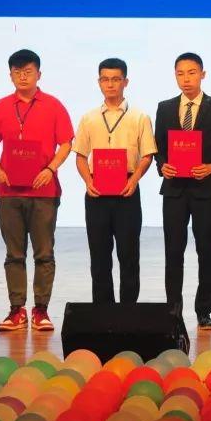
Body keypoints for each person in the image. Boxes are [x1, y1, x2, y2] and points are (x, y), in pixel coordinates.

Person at [0, 49, 74, 332]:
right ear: (10, 76)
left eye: (28, 71)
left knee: (44, 254)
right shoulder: (1, 107)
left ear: (38, 74)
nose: (23, 76)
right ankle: (16, 310)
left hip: (44, 192)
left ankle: (41, 310)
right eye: (17, 72)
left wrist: (50, 169)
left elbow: (66, 143)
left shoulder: (53, 106)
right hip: (8, 192)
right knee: (14, 254)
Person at [153, 52, 211, 330]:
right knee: (173, 252)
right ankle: (173, 311)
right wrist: (162, 165)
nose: (186, 79)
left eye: (191, 72)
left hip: (204, 190)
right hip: (174, 190)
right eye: (180, 73)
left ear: (202, 74)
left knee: (206, 251)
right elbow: (158, 148)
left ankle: (204, 311)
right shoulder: (164, 108)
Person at [72, 57, 156, 305]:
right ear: (99, 82)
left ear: (125, 82)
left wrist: (135, 180)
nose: (110, 84)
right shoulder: (89, 118)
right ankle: (103, 310)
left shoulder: (139, 117)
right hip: (96, 191)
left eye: (116, 79)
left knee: (129, 254)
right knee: (99, 256)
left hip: (127, 190)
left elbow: (148, 155)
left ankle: (128, 311)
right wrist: (88, 181)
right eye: (105, 79)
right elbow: (80, 156)